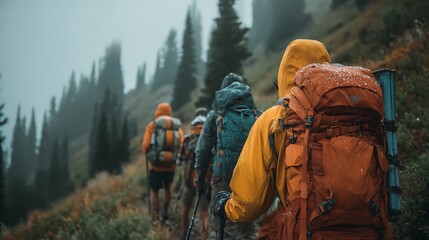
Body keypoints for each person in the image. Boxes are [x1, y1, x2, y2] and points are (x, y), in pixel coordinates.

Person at [212, 39, 392, 239]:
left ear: (284, 74)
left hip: (306, 230)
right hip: (370, 229)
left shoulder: (276, 117)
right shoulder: (362, 113)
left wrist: (227, 207)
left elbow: (249, 203)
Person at [195, 72, 260, 240]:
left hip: (222, 180)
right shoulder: (256, 115)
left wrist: (200, 181)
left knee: (225, 227)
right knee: (247, 226)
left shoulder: (215, 116)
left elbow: (202, 151)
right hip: (250, 179)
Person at [141, 102, 184, 223]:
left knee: (154, 191)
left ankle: (155, 216)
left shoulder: (152, 126)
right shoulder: (176, 126)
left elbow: (145, 145)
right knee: (168, 189)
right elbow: (181, 144)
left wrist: (149, 153)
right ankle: (165, 212)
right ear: (169, 112)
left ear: (157, 112)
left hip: (156, 166)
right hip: (171, 165)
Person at [176, 114, 210, 240]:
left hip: (189, 180)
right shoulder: (211, 138)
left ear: (193, 126)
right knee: (203, 213)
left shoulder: (187, 139)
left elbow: (179, 161)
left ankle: (184, 232)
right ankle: (204, 236)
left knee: (185, 207)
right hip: (205, 181)